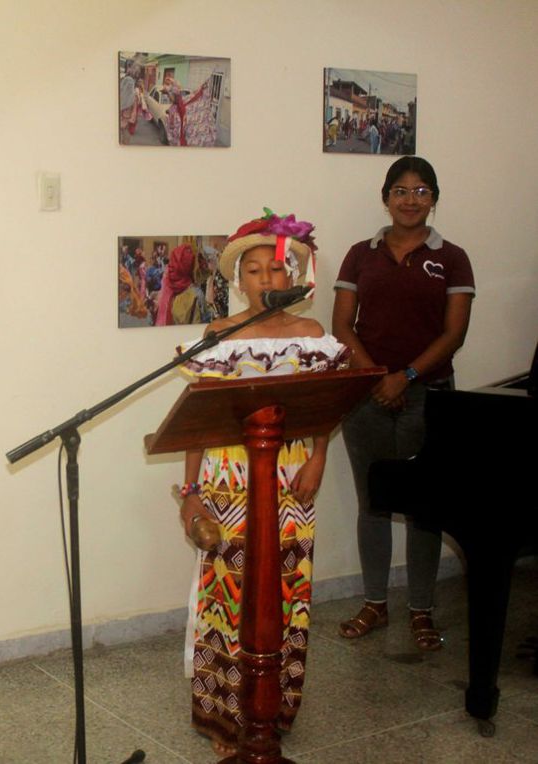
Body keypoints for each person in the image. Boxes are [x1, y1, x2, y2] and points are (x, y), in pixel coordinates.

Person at [177, 211, 349, 756]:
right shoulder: (218, 336)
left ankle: (271, 711)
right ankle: (225, 715)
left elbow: (328, 405)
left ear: (293, 274)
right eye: (253, 272)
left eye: (276, 270)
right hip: (228, 480)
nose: (266, 281)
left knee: (285, 591)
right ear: (239, 281)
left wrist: (319, 457)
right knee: (229, 596)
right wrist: (191, 495)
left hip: (290, 477)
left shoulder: (312, 335)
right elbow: (196, 423)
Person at [333, 156, 474, 651]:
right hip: (366, 394)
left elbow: (454, 333)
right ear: (385, 196)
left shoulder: (452, 257)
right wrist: (377, 378)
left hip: (431, 396)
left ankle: (421, 611)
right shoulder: (359, 254)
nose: (410, 199)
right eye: (400, 190)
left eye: (421, 191)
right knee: (373, 502)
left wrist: (407, 376)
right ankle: (374, 603)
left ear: (434, 198)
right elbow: (342, 327)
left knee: (424, 507)